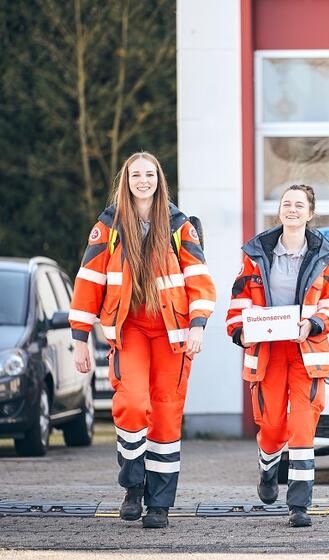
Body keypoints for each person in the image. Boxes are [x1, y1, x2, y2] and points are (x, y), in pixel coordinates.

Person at [69, 152, 216, 529]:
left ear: (159, 179)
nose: (143, 181)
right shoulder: (110, 224)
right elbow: (89, 281)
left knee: (166, 418)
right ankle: (133, 485)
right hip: (129, 329)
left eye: (150, 174)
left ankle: (160, 504)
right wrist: (79, 338)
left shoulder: (181, 225)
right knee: (133, 405)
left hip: (173, 334)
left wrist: (199, 325)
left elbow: (199, 277)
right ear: (126, 179)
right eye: (137, 175)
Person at [226, 184, 329, 527]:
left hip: (306, 350)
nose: (292, 209)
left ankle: (299, 503)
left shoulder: (326, 258)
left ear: (310, 213)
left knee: (303, 425)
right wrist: (240, 329)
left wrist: (315, 323)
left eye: (299, 205)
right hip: (267, 351)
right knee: (273, 425)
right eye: (286, 204)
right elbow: (239, 299)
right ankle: (267, 468)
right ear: (279, 210)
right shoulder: (257, 253)